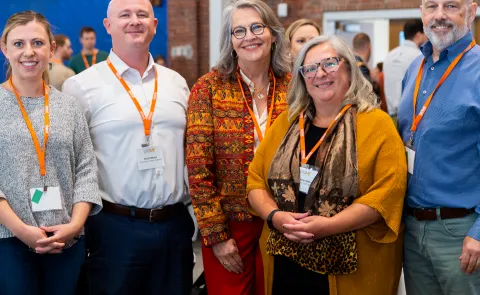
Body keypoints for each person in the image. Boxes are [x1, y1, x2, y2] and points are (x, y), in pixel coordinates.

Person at [247, 35, 407, 295]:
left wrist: (329, 226)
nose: (319, 74)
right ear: (302, 78)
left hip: (352, 269)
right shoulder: (286, 123)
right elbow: (255, 179)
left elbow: (388, 191)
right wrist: (274, 217)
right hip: (285, 260)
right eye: (310, 69)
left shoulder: (377, 124)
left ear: (348, 67)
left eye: (329, 64)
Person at [63, 0, 193, 294]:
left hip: (174, 225)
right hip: (114, 229)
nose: (134, 21)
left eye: (142, 14)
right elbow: (70, 163)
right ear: (108, 26)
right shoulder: (81, 87)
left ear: (154, 24)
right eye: (125, 15)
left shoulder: (177, 83)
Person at [186, 0, 291, 294]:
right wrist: (215, 235)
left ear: (272, 34)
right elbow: (197, 169)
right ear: (230, 41)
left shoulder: (294, 86)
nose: (250, 36)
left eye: (257, 27)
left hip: (285, 222)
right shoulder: (208, 88)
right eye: (239, 31)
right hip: (232, 225)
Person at [0, 10, 102, 295]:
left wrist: (75, 225)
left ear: (51, 48)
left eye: (37, 43)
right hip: (8, 240)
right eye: (19, 44)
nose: (28, 52)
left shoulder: (69, 107)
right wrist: (23, 231)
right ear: (4, 48)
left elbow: (86, 170)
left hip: (66, 241)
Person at [398, 0, 480, 293]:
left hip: (461, 234)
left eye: (451, 6)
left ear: (471, 11)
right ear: (421, 13)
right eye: (431, 6)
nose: (440, 15)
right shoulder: (414, 69)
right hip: (413, 229)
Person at [383, 19, 426, 119]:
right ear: (419, 35)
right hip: (411, 118)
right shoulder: (419, 57)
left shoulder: (389, 55)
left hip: (391, 117)